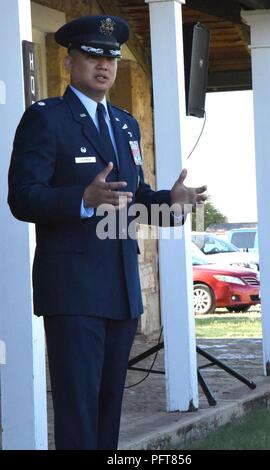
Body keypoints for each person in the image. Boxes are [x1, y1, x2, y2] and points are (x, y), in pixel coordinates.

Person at [8, 15, 207, 450]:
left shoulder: (124, 124)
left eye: (112, 57)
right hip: (74, 292)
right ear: (69, 63)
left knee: (107, 416)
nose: (104, 65)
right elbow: (22, 197)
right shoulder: (47, 119)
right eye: (93, 55)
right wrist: (82, 199)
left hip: (121, 289)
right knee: (79, 416)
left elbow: (128, 198)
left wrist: (169, 204)